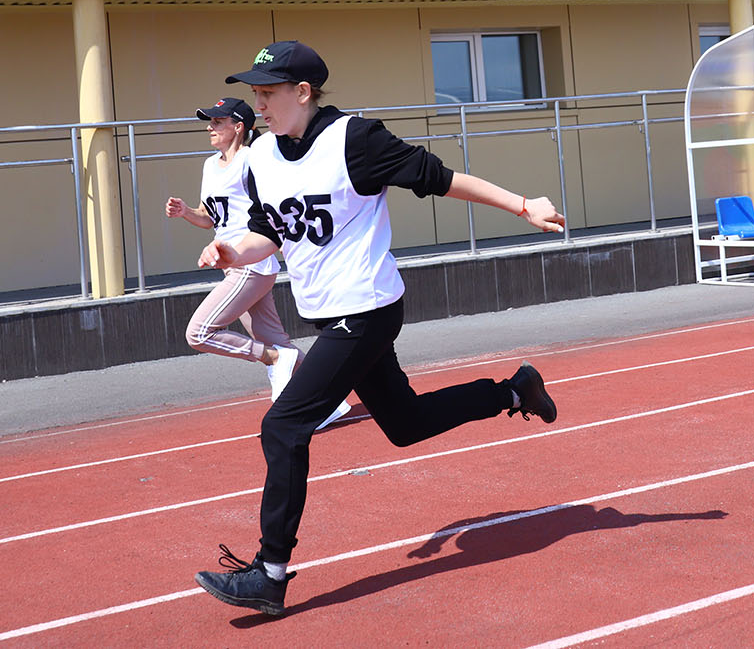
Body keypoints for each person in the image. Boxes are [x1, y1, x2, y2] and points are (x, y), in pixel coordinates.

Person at [192, 40, 566, 618]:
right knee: (405, 424)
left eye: (267, 94)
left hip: (364, 310)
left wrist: (523, 206)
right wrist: (230, 250)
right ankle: (514, 389)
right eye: (255, 95)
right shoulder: (262, 156)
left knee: (284, 424)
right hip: (328, 312)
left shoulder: (356, 141)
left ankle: (269, 572)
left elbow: (443, 179)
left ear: (303, 92)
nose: (257, 105)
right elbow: (269, 233)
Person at [166, 98, 350, 428]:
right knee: (278, 342)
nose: (209, 127)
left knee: (200, 333)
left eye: (217, 121)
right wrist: (186, 213)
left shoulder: (254, 160)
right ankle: (330, 402)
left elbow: (273, 204)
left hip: (252, 264)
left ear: (239, 127)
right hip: (232, 264)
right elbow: (211, 217)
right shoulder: (210, 165)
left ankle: (277, 360)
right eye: (209, 122)